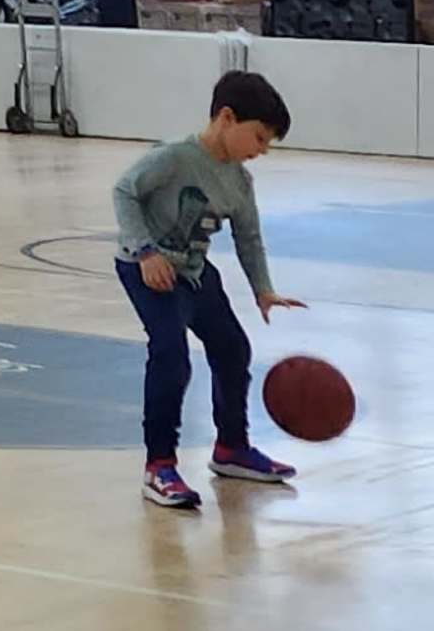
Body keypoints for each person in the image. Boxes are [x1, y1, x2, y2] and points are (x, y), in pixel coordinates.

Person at [111, 66, 305, 508]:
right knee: (171, 356)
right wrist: (146, 252)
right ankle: (159, 466)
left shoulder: (239, 180)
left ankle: (231, 448)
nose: (261, 150)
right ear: (226, 118)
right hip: (149, 271)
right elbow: (124, 191)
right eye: (259, 138)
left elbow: (248, 236)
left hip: (194, 273)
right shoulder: (175, 158)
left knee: (233, 350)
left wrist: (263, 289)